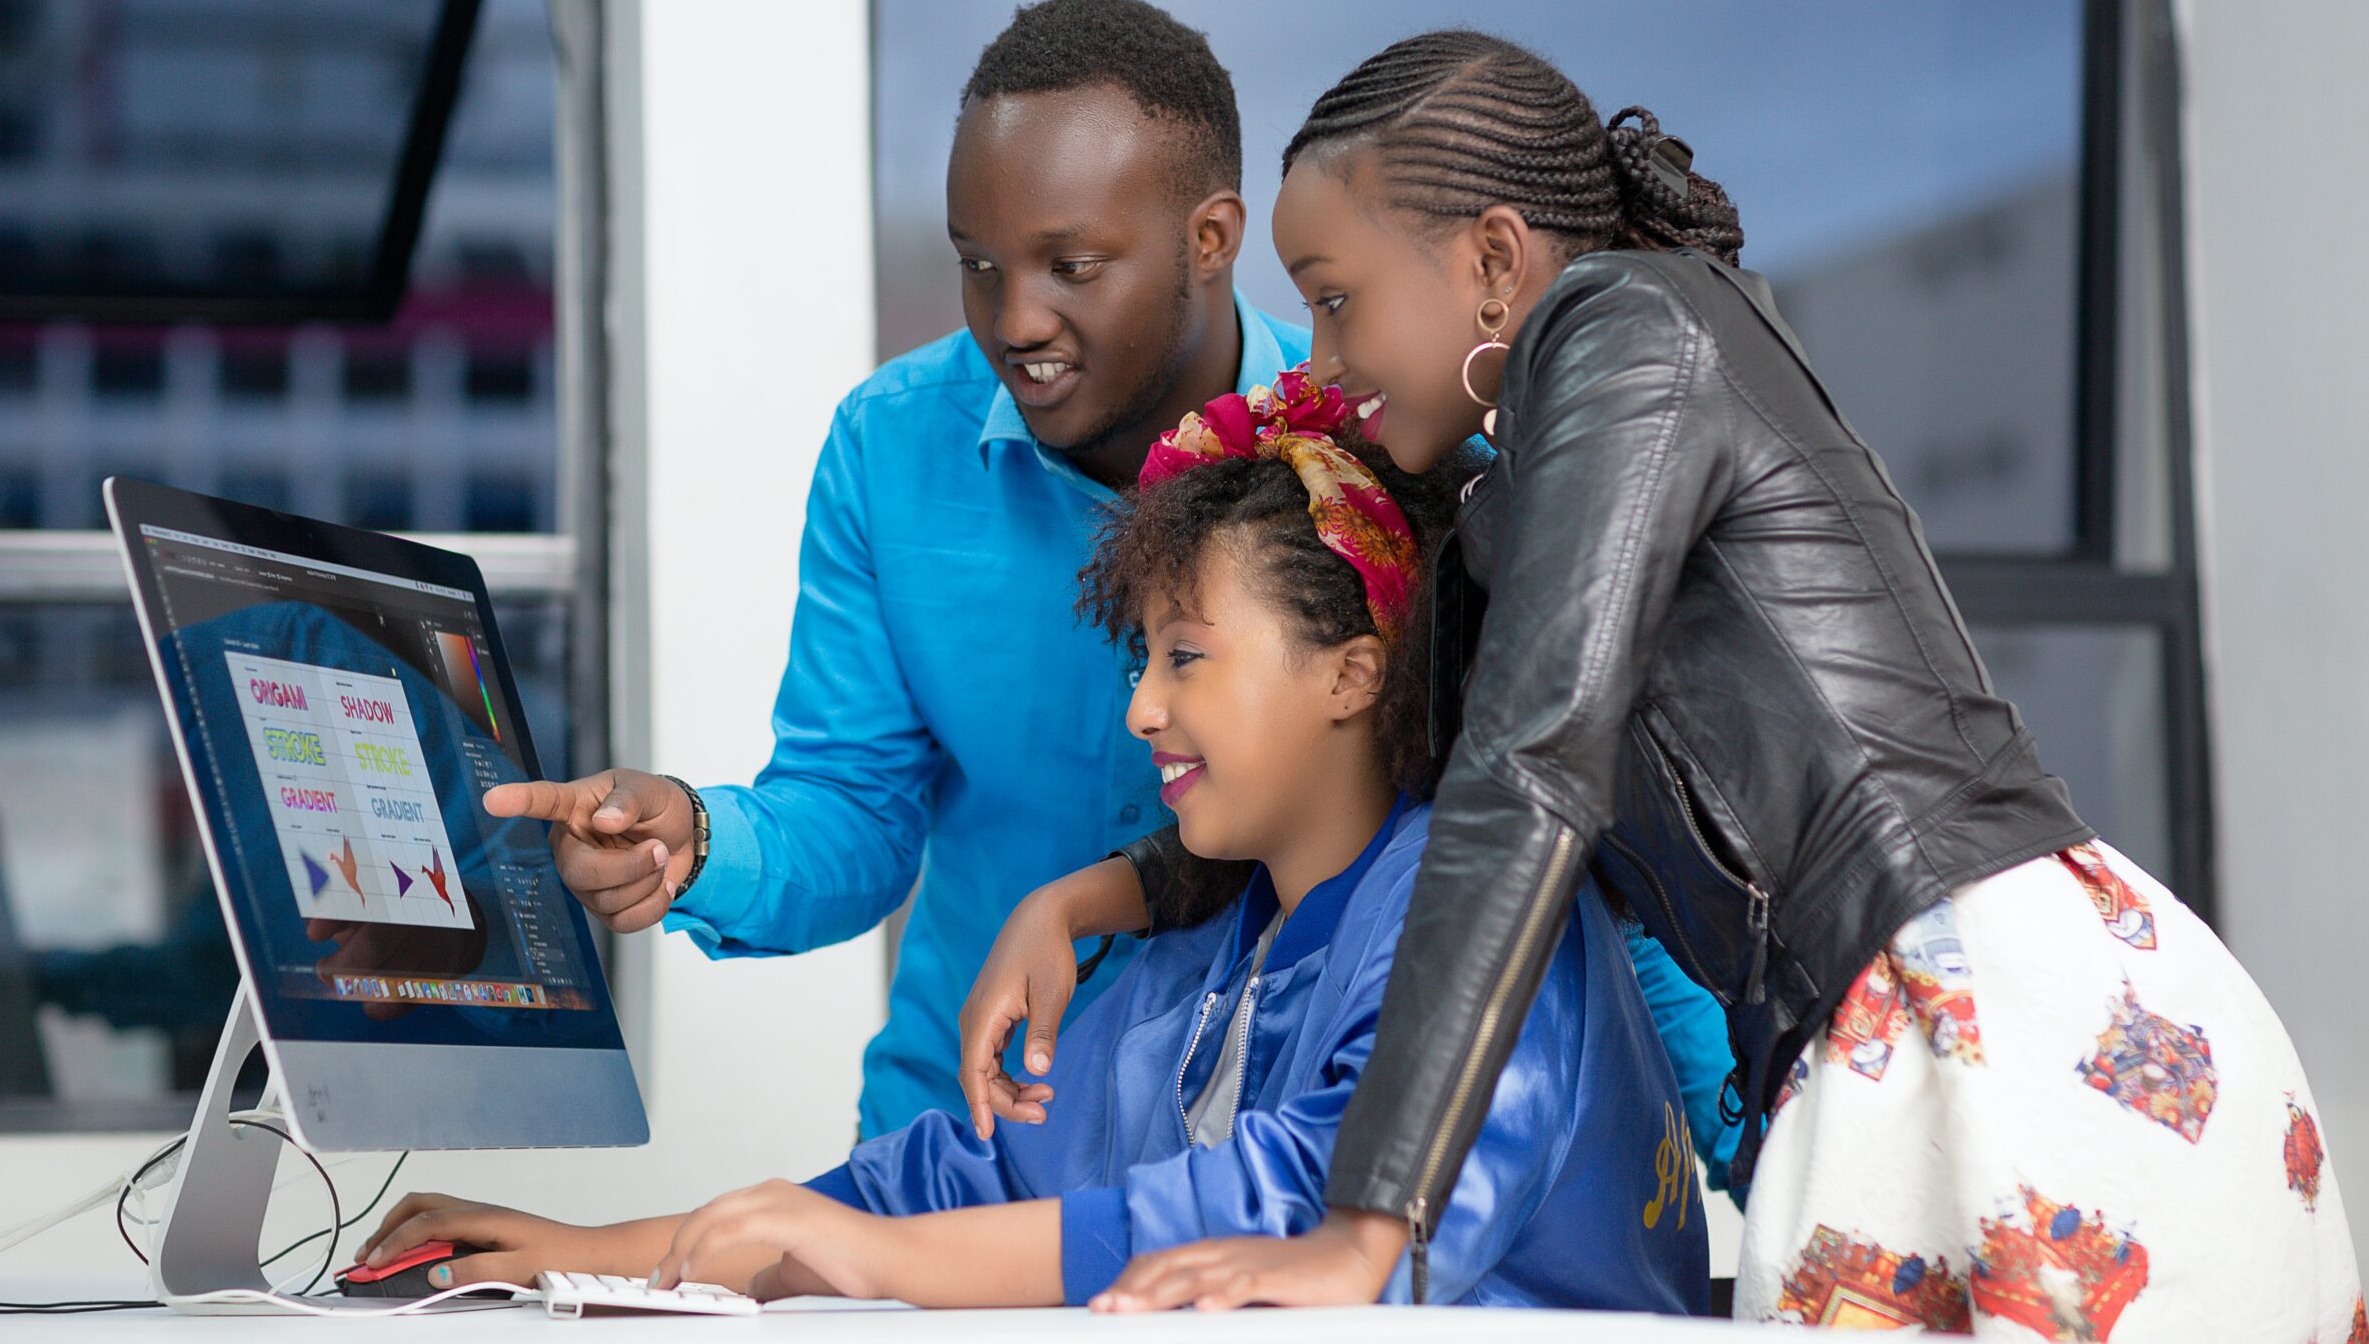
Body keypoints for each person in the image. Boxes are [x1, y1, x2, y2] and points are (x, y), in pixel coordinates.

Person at [973, 31, 2362, 1332]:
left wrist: (1367, 1221)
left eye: (1337, 301)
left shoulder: (1632, 324)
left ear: (1498, 260)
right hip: (1875, 1046)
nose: (1322, 364)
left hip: (2008, 1018)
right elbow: (1373, 794)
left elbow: (1531, 765)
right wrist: (1091, 897)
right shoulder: (1503, 524)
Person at [484, 0, 1737, 1164]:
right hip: (967, 1144)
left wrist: (1749, 1145)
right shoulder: (889, 446)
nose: (1012, 317)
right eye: (979, 262)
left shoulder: (1387, 446)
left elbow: (1570, 824)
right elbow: (852, 809)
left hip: (1274, 1155)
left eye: (1070, 265)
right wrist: (697, 842)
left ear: (1210, 238)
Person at [348, 372, 1706, 1312]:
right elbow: (963, 1175)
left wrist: (869, 1260)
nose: (1141, 707)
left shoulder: (1478, 915)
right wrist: (596, 1256)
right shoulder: (1206, 956)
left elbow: (1310, 1198)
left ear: (1355, 672)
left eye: (1186, 657)